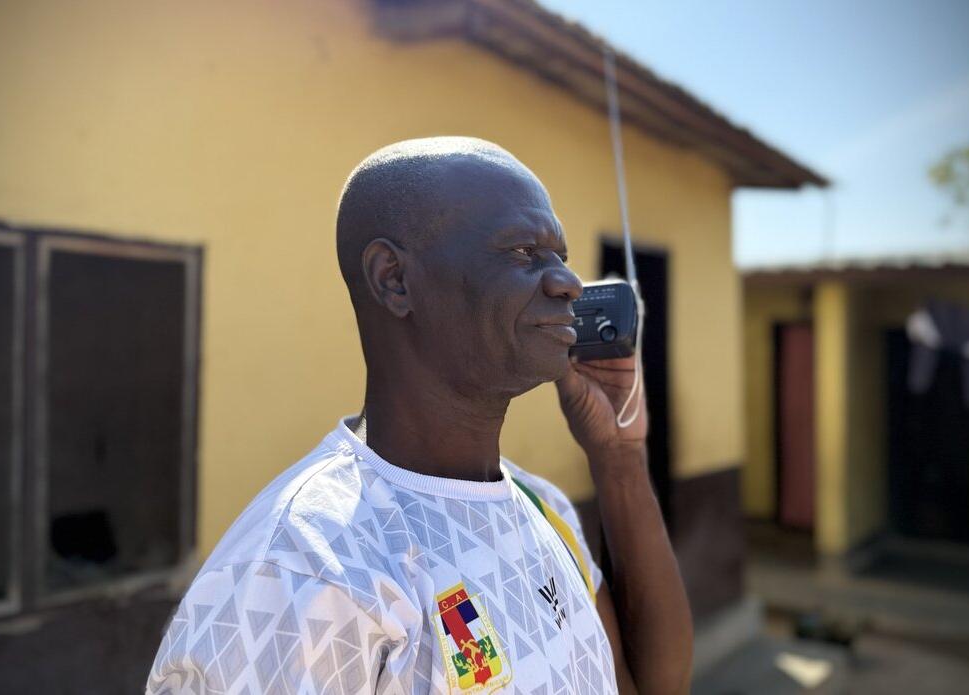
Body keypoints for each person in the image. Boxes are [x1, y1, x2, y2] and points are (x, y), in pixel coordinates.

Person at [146, 137, 692, 694]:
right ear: (394, 278)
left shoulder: (543, 507)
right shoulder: (301, 569)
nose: (568, 283)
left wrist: (619, 458)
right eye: (524, 252)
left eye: (561, 258)